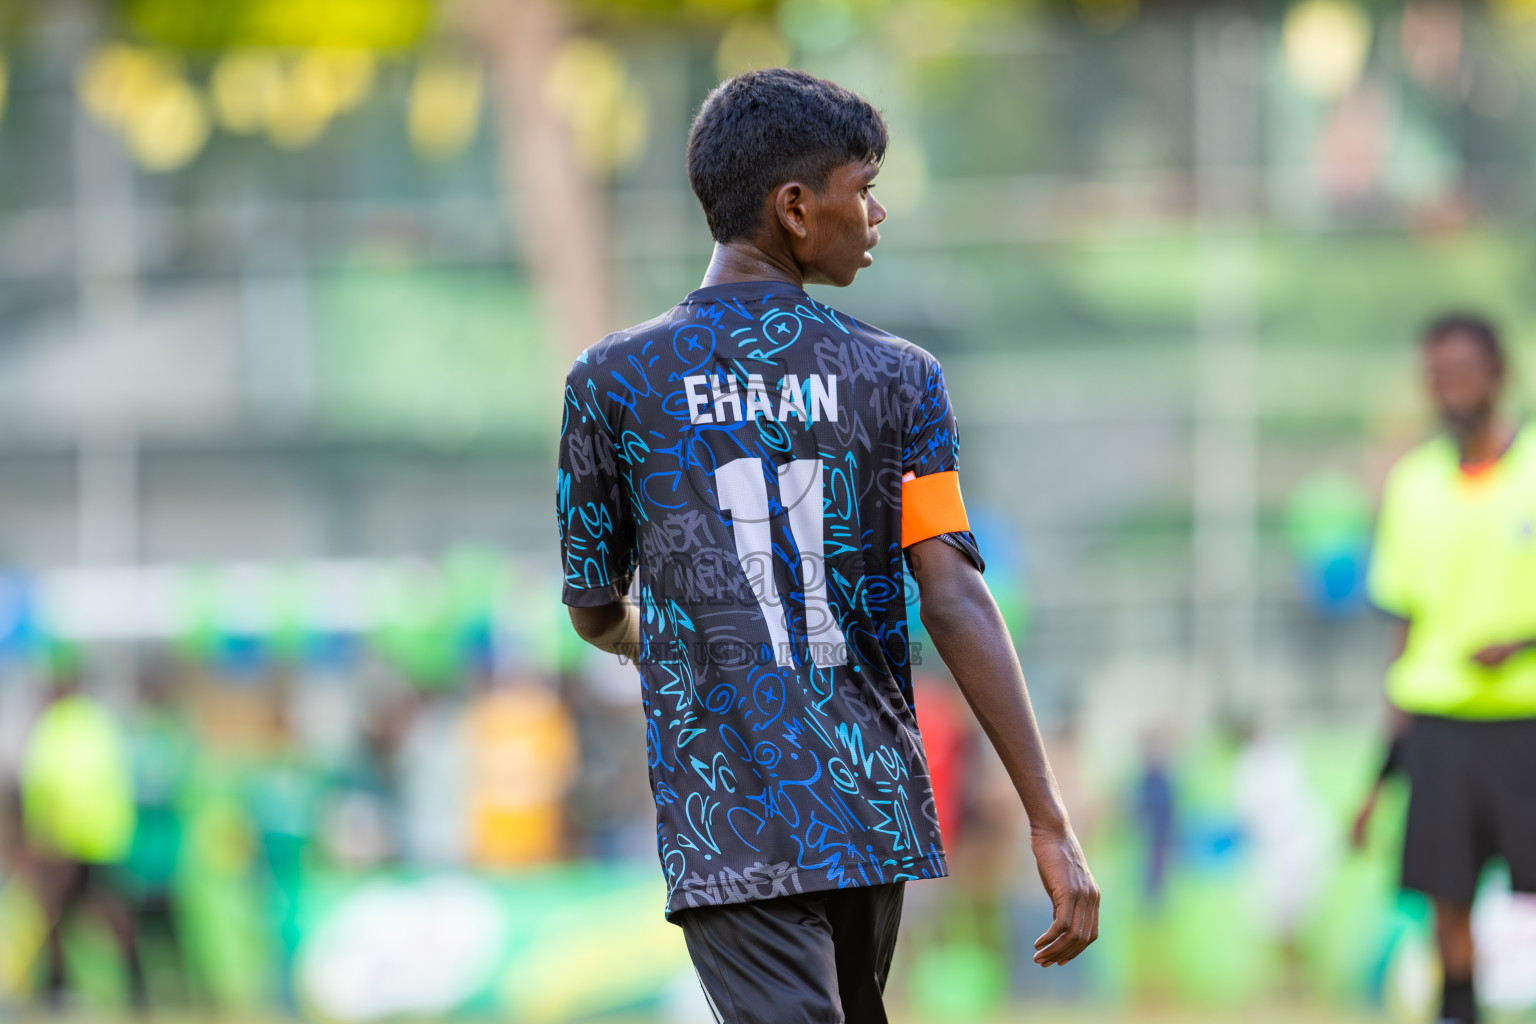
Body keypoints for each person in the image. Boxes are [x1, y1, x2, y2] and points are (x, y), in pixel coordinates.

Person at [557, 68, 1098, 1024]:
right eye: (864, 184)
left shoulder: (611, 381)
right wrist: (1047, 819)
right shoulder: (901, 380)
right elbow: (956, 595)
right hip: (867, 808)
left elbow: (592, 604)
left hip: (734, 814)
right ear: (797, 208)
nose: (877, 210)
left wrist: (670, 634)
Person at [1359, 313, 1536, 1024]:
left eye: (1463, 372)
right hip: (1439, 730)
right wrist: (1380, 773)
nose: (1449, 389)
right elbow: (1404, 630)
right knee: (1446, 901)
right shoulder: (1413, 486)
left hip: (1526, 721)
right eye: (1437, 376)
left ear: (1498, 376)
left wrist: (1522, 644)